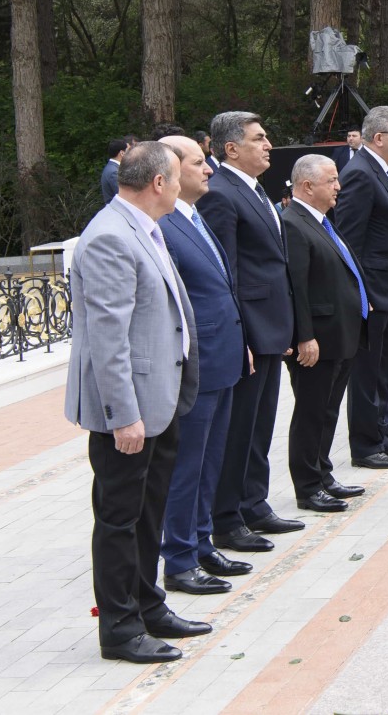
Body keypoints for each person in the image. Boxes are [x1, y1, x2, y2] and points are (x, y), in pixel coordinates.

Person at [66, 141, 208, 664]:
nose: (186, 183)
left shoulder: (143, 227)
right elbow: (107, 338)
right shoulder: (109, 236)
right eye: (178, 175)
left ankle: (149, 605)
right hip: (130, 411)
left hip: (160, 400)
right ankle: (121, 630)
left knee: (149, 514)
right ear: (157, 184)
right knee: (121, 520)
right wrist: (123, 415)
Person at [198, 112, 300, 554]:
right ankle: (227, 518)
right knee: (239, 429)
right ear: (231, 149)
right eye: (259, 139)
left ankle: (254, 502)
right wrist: (242, 337)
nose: (269, 145)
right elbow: (228, 273)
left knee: (260, 425)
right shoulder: (220, 194)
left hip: (272, 326)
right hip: (251, 331)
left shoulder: (254, 189)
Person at [156, 136, 250, 597]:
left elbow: (220, 286)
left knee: (212, 459)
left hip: (224, 355)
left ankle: (201, 541)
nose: (209, 169)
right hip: (196, 364)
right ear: (170, 172)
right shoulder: (164, 225)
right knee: (187, 465)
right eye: (198, 163)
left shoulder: (194, 215)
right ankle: (177, 558)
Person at [281, 155, 369, 513]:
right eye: (332, 181)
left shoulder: (320, 220)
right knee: (311, 412)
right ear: (307, 186)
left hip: (341, 334)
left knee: (328, 410)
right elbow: (296, 287)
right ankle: (307, 486)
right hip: (318, 339)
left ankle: (323, 473)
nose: (338, 187)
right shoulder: (293, 224)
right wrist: (304, 336)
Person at [334, 105, 388, 471]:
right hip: (375, 293)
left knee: (384, 370)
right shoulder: (359, 174)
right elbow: (350, 240)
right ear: (379, 137)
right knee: (368, 374)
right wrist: (363, 296)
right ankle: (366, 445)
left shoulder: (382, 169)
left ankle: (382, 436)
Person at [101, 137, 132, 204]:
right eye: (129, 151)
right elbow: (125, 196)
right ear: (122, 153)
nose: (131, 154)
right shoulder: (114, 172)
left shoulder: (112, 168)